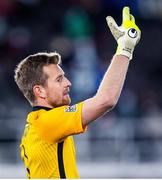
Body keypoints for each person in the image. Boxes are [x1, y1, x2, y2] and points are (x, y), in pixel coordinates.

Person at [14, 7, 141, 178]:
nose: (68, 83)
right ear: (40, 91)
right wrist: (125, 49)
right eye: (59, 79)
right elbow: (106, 100)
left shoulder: (35, 124)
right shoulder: (48, 122)